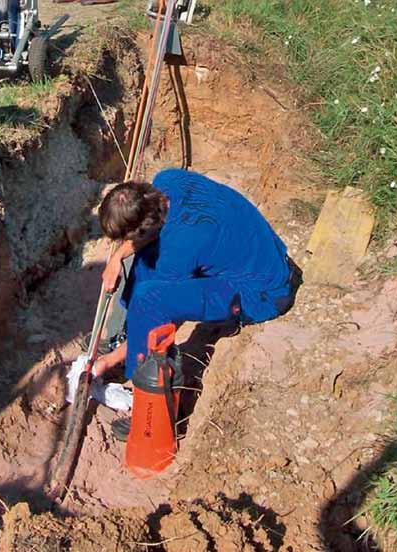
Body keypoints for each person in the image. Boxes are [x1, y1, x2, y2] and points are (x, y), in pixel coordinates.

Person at [93, 169, 300, 433]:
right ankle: (126, 338)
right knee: (149, 263)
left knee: (152, 299)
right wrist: (116, 258)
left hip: (263, 295)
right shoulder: (168, 181)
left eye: (128, 238)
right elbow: (147, 236)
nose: (126, 243)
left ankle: (153, 404)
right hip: (266, 259)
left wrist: (108, 361)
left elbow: (167, 313)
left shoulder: (180, 247)